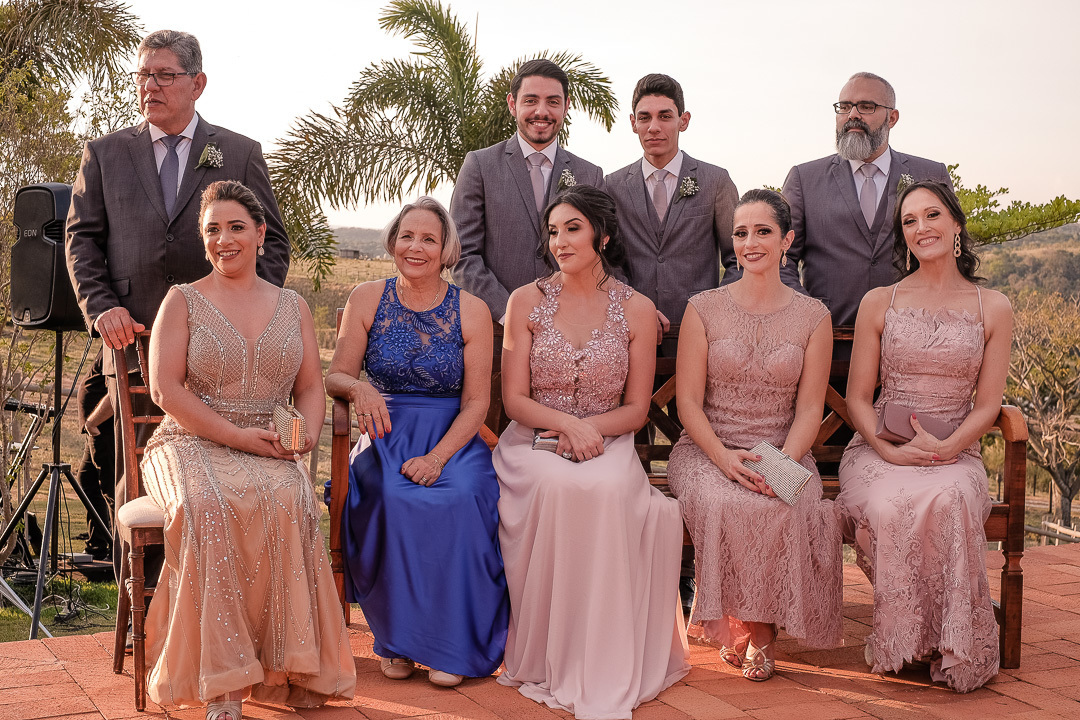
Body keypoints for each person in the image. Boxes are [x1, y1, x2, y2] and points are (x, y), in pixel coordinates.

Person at [65, 29, 289, 579]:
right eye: (144, 75)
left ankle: (223, 596)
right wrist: (102, 307)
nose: (151, 86)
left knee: (221, 484)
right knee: (134, 478)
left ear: (198, 83)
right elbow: (81, 240)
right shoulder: (105, 154)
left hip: (222, 361)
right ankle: (151, 604)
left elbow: (273, 244)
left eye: (165, 75)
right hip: (132, 345)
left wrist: (244, 316)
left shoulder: (238, 152)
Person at [141, 181, 354, 720]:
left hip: (270, 445)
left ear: (260, 234)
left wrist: (304, 436)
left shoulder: (293, 305)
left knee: (292, 500)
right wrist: (237, 437)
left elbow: (311, 385)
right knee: (206, 507)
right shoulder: (181, 300)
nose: (224, 239)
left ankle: (284, 668)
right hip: (187, 440)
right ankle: (224, 687)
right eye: (212, 229)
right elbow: (166, 391)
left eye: (236, 227)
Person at [493, 184, 689, 719]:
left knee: (605, 489)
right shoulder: (525, 301)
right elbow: (514, 400)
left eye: (572, 228)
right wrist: (565, 427)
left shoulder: (637, 309)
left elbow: (636, 409)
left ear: (602, 235)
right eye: (553, 231)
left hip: (611, 440)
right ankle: (548, 653)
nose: (560, 241)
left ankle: (599, 655)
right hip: (532, 442)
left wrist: (588, 432)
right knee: (559, 484)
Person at [325, 197, 509, 688]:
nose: (416, 247)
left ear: (446, 250)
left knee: (464, 496)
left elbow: (477, 403)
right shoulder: (366, 297)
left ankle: (455, 645)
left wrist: (438, 458)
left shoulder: (472, 310)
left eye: (429, 239)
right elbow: (336, 375)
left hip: (454, 435)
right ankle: (398, 642)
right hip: (386, 430)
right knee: (389, 495)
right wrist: (359, 388)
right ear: (392, 242)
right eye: (407, 236)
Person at [837, 180, 1012, 693]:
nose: (922, 228)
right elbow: (857, 399)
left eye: (932, 215)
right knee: (889, 504)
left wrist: (949, 447)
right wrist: (889, 450)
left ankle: (947, 640)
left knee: (951, 496)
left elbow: (988, 405)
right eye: (909, 221)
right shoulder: (879, 302)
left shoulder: (993, 306)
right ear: (903, 235)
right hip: (879, 448)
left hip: (955, 450)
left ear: (956, 223)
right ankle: (906, 636)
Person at [667, 189, 842, 682]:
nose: (750, 243)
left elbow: (810, 409)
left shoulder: (814, 316)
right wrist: (724, 458)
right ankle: (755, 631)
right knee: (725, 502)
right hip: (707, 449)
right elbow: (687, 403)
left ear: (787, 240)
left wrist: (782, 462)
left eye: (763, 231)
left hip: (783, 448)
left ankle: (754, 628)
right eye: (741, 233)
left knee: (786, 503)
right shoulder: (703, 308)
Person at [780, 72, 951, 340]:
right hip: (826, 342)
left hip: (914, 340)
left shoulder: (930, 174)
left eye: (866, 106)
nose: (852, 115)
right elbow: (782, 258)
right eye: (844, 107)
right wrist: (807, 312)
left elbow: (949, 256)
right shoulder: (804, 179)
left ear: (892, 118)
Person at [451, 59, 604, 323]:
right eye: (531, 100)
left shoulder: (590, 175)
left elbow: (604, 256)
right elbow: (462, 253)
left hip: (576, 327)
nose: (541, 111)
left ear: (566, 106)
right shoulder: (480, 166)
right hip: (499, 330)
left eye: (553, 102)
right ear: (513, 104)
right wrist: (510, 313)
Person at [607, 73, 737, 341]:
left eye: (665, 116)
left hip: (701, 334)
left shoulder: (716, 181)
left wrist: (714, 311)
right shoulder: (612, 185)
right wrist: (630, 306)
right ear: (633, 123)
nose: (654, 127)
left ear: (683, 121)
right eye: (644, 117)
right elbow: (607, 260)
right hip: (629, 333)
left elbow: (738, 258)